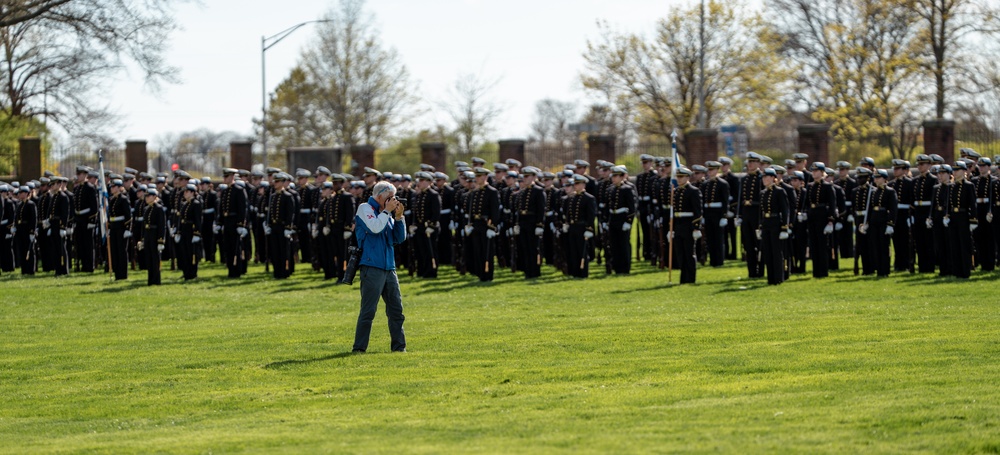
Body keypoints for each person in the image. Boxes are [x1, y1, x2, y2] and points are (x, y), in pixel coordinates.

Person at [352, 181, 407, 353]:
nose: (393, 201)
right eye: (390, 197)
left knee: (396, 310)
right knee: (368, 311)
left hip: (389, 267)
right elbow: (375, 228)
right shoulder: (365, 208)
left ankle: (399, 347)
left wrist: (398, 218)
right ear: (380, 196)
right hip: (371, 265)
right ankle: (359, 348)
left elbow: (399, 238)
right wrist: (387, 211)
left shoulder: (387, 213)